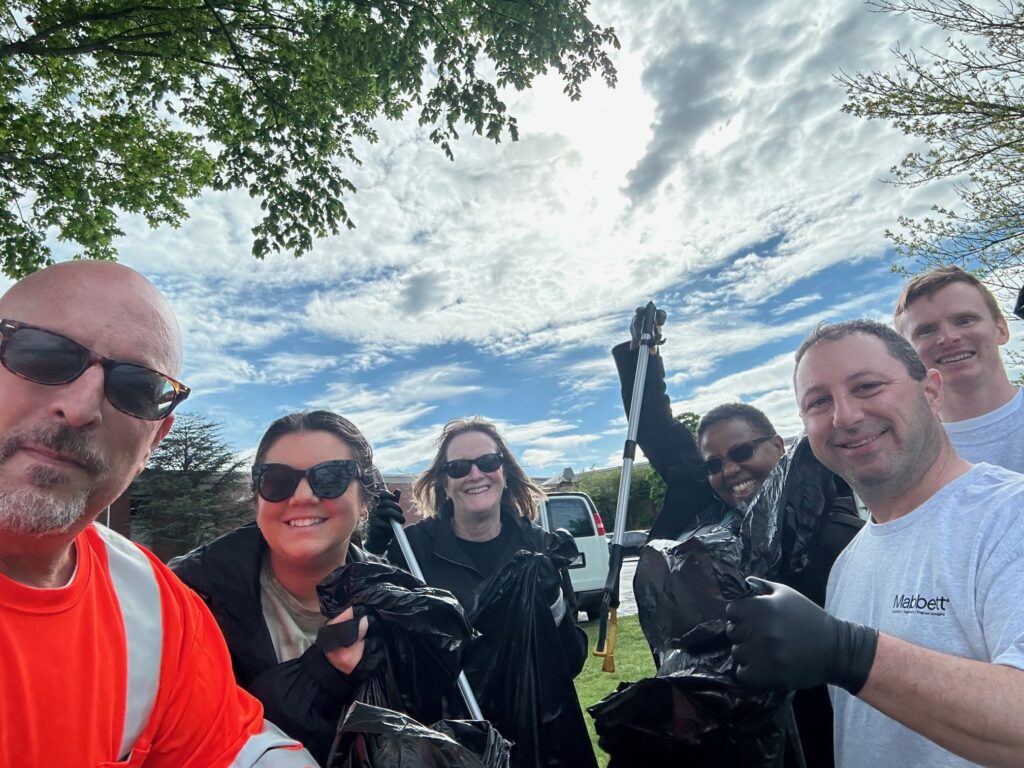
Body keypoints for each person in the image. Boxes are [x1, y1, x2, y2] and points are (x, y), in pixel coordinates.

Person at [0, 261, 315, 766]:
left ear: (154, 441)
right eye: (42, 354)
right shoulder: (198, 582)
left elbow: (232, 750)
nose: (81, 407)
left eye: (137, 388)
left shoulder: (155, 608)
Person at [727, 319, 1024, 768]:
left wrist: (850, 653)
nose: (844, 416)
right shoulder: (851, 561)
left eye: (867, 386)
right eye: (819, 402)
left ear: (931, 392)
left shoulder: (1009, 516)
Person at [613, 313, 862, 767]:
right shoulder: (703, 511)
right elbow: (657, 434)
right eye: (714, 463)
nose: (730, 471)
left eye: (744, 452)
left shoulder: (826, 518)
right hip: (714, 721)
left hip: (811, 723)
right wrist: (642, 361)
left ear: (778, 447)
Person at [172, 411, 407, 764]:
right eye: (277, 480)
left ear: (365, 501)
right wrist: (322, 674)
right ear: (257, 499)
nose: (302, 496)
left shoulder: (402, 606)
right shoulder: (187, 598)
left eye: (330, 477)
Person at [365, 416, 595, 768]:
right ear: (444, 482)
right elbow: (377, 633)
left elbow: (571, 661)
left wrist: (553, 602)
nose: (475, 475)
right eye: (458, 467)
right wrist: (374, 551)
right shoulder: (413, 551)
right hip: (450, 742)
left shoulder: (540, 548)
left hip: (538, 741)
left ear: (504, 473)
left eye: (488, 462)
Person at [894, 266, 1023, 472]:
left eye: (964, 320)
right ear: (908, 356)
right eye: (926, 330)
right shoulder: (903, 458)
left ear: (1001, 329)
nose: (948, 337)